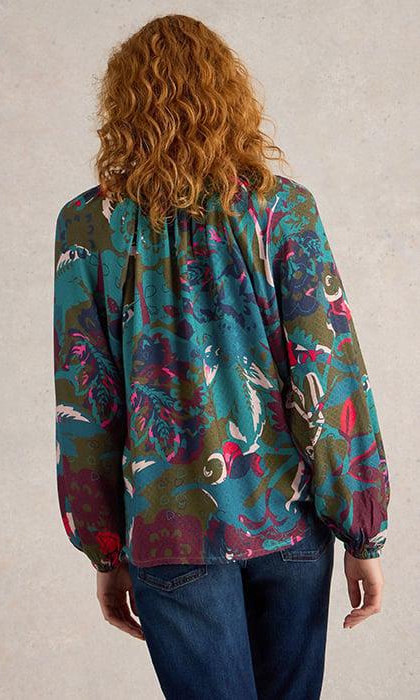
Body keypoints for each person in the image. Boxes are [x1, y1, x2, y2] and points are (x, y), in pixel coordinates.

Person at [52, 13, 390, 700]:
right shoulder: (282, 211)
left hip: (168, 527)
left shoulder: (89, 225)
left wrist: (105, 551)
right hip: (289, 521)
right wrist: (362, 532)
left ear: (122, 107)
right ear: (228, 97)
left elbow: (85, 399)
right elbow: (329, 374)